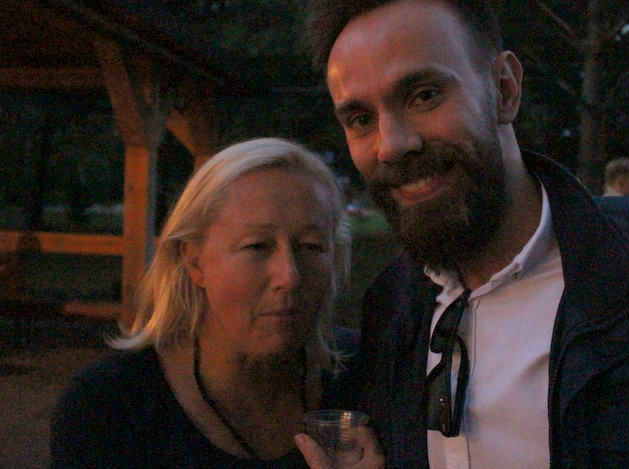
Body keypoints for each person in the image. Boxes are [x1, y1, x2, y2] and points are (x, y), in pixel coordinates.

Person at [303, 0, 629, 468]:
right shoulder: (391, 308)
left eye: (424, 95)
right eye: (360, 119)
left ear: (505, 89)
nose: (391, 145)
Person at [50, 138, 383, 469]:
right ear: (194, 261)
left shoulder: (370, 373)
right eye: (257, 246)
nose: (289, 276)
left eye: (311, 246)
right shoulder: (112, 406)